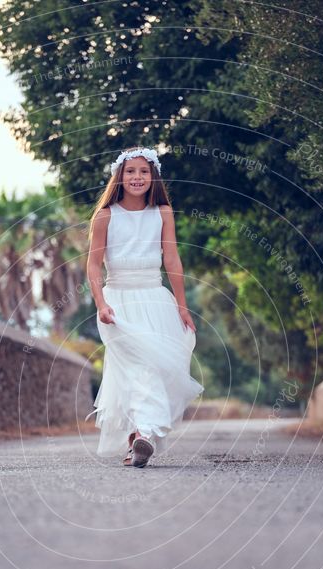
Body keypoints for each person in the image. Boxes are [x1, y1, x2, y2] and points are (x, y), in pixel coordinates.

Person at [85, 145, 204, 468]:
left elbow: (172, 259)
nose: (137, 177)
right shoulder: (105, 216)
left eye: (144, 171)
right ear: (119, 177)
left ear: (153, 177)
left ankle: (140, 438)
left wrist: (182, 305)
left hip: (154, 298)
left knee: (149, 370)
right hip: (118, 303)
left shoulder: (162, 213)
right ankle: (144, 435)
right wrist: (101, 304)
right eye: (130, 171)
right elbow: (93, 265)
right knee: (136, 369)